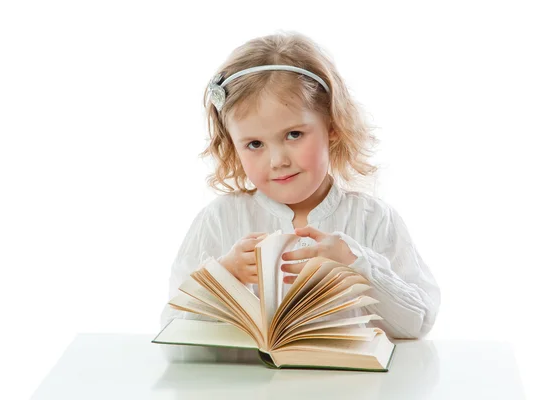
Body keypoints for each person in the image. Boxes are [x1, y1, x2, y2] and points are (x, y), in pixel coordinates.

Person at [160, 31, 440, 362]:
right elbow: (174, 340)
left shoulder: (374, 220)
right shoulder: (220, 220)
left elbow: (417, 322)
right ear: (233, 145)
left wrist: (357, 263)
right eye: (254, 144)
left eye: (294, 134)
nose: (277, 160)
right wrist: (224, 275)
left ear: (332, 125)